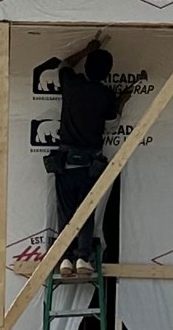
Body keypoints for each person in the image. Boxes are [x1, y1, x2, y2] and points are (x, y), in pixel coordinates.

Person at [47, 36, 130, 276]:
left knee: (66, 211)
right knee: (86, 210)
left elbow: (63, 65)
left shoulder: (72, 84)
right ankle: (82, 258)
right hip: (89, 164)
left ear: (87, 66)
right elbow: (113, 125)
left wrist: (86, 49)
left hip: (65, 162)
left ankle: (64, 258)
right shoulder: (104, 95)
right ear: (107, 73)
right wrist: (122, 101)